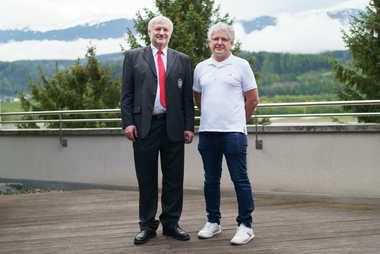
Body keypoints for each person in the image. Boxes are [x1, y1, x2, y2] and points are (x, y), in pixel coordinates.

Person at [120, 15, 195, 244]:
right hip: (144, 127)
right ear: (149, 32)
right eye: (157, 29)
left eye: (165, 29)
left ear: (170, 33)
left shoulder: (182, 60)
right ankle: (148, 225)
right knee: (147, 179)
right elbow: (126, 94)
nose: (161, 32)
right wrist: (128, 122)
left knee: (174, 179)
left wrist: (189, 126)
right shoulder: (133, 56)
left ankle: (171, 224)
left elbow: (186, 98)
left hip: (173, 127)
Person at [193, 22, 259, 245]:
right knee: (211, 180)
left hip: (233, 134)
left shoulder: (241, 65)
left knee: (240, 179)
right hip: (208, 133)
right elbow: (200, 99)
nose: (219, 43)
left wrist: (237, 122)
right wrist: (214, 119)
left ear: (232, 42)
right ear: (210, 42)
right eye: (215, 39)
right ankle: (213, 222)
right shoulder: (201, 67)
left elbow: (253, 100)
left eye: (224, 39)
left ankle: (245, 226)